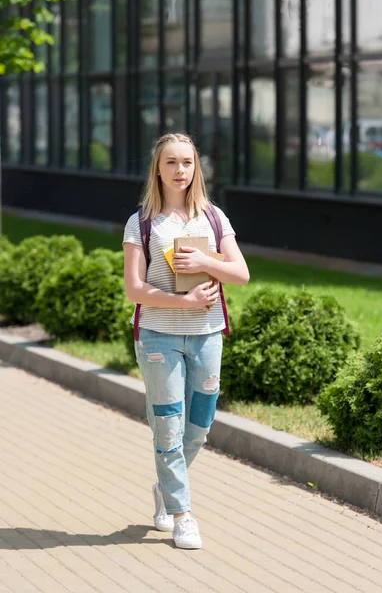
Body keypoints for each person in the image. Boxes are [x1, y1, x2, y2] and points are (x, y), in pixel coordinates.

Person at [123, 133, 249, 549]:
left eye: (187, 163)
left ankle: (165, 485)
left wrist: (205, 262)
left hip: (207, 335)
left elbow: (240, 273)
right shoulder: (142, 222)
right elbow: (135, 289)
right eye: (171, 163)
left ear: (196, 168)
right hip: (159, 337)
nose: (180, 171)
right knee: (169, 426)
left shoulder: (213, 217)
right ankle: (182, 514)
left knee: (200, 427)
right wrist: (184, 299)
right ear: (157, 169)